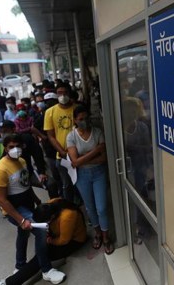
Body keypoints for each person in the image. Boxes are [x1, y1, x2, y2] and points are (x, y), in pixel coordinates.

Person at [0, 134, 66, 284]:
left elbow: (25, 184)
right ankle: (46, 270)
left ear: (23, 146)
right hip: (15, 209)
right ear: (5, 148)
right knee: (40, 231)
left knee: (23, 233)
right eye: (11, 147)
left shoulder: (22, 161)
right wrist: (21, 219)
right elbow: (1, 199)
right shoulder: (0, 170)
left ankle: (20, 265)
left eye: (17, 146)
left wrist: (36, 200)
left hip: (27, 204)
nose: (15, 149)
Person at [0, 198, 87, 285]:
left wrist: (50, 241)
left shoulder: (67, 216)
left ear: (52, 217)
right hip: (55, 236)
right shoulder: (50, 205)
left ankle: (8, 283)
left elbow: (64, 240)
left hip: (73, 241)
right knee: (40, 255)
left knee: (40, 258)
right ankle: (9, 282)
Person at [66, 105, 114, 255]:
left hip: (99, 173)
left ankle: (106, 237)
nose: (84, 121)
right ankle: (97, 234)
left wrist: (83, 159)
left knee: (102, 207)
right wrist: (95, 151)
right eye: (80, 119)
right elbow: (75, 162)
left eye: (86, 118)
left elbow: (104, 157)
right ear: (75, 120)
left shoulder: (97, 132)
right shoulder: (71, 136)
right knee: (90, 207)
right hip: (82, 176)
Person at [44, 83, 81, 204]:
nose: (63, 95)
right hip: (62, 156)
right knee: (67, 184)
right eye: (59, 93)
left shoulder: (77, 109)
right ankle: (69, 207)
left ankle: (84, 205)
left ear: (69, 93)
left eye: (65, 92)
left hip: (80, 154)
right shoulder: (50, 112)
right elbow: (51, 135)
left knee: (81, 183)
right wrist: (62, 152)